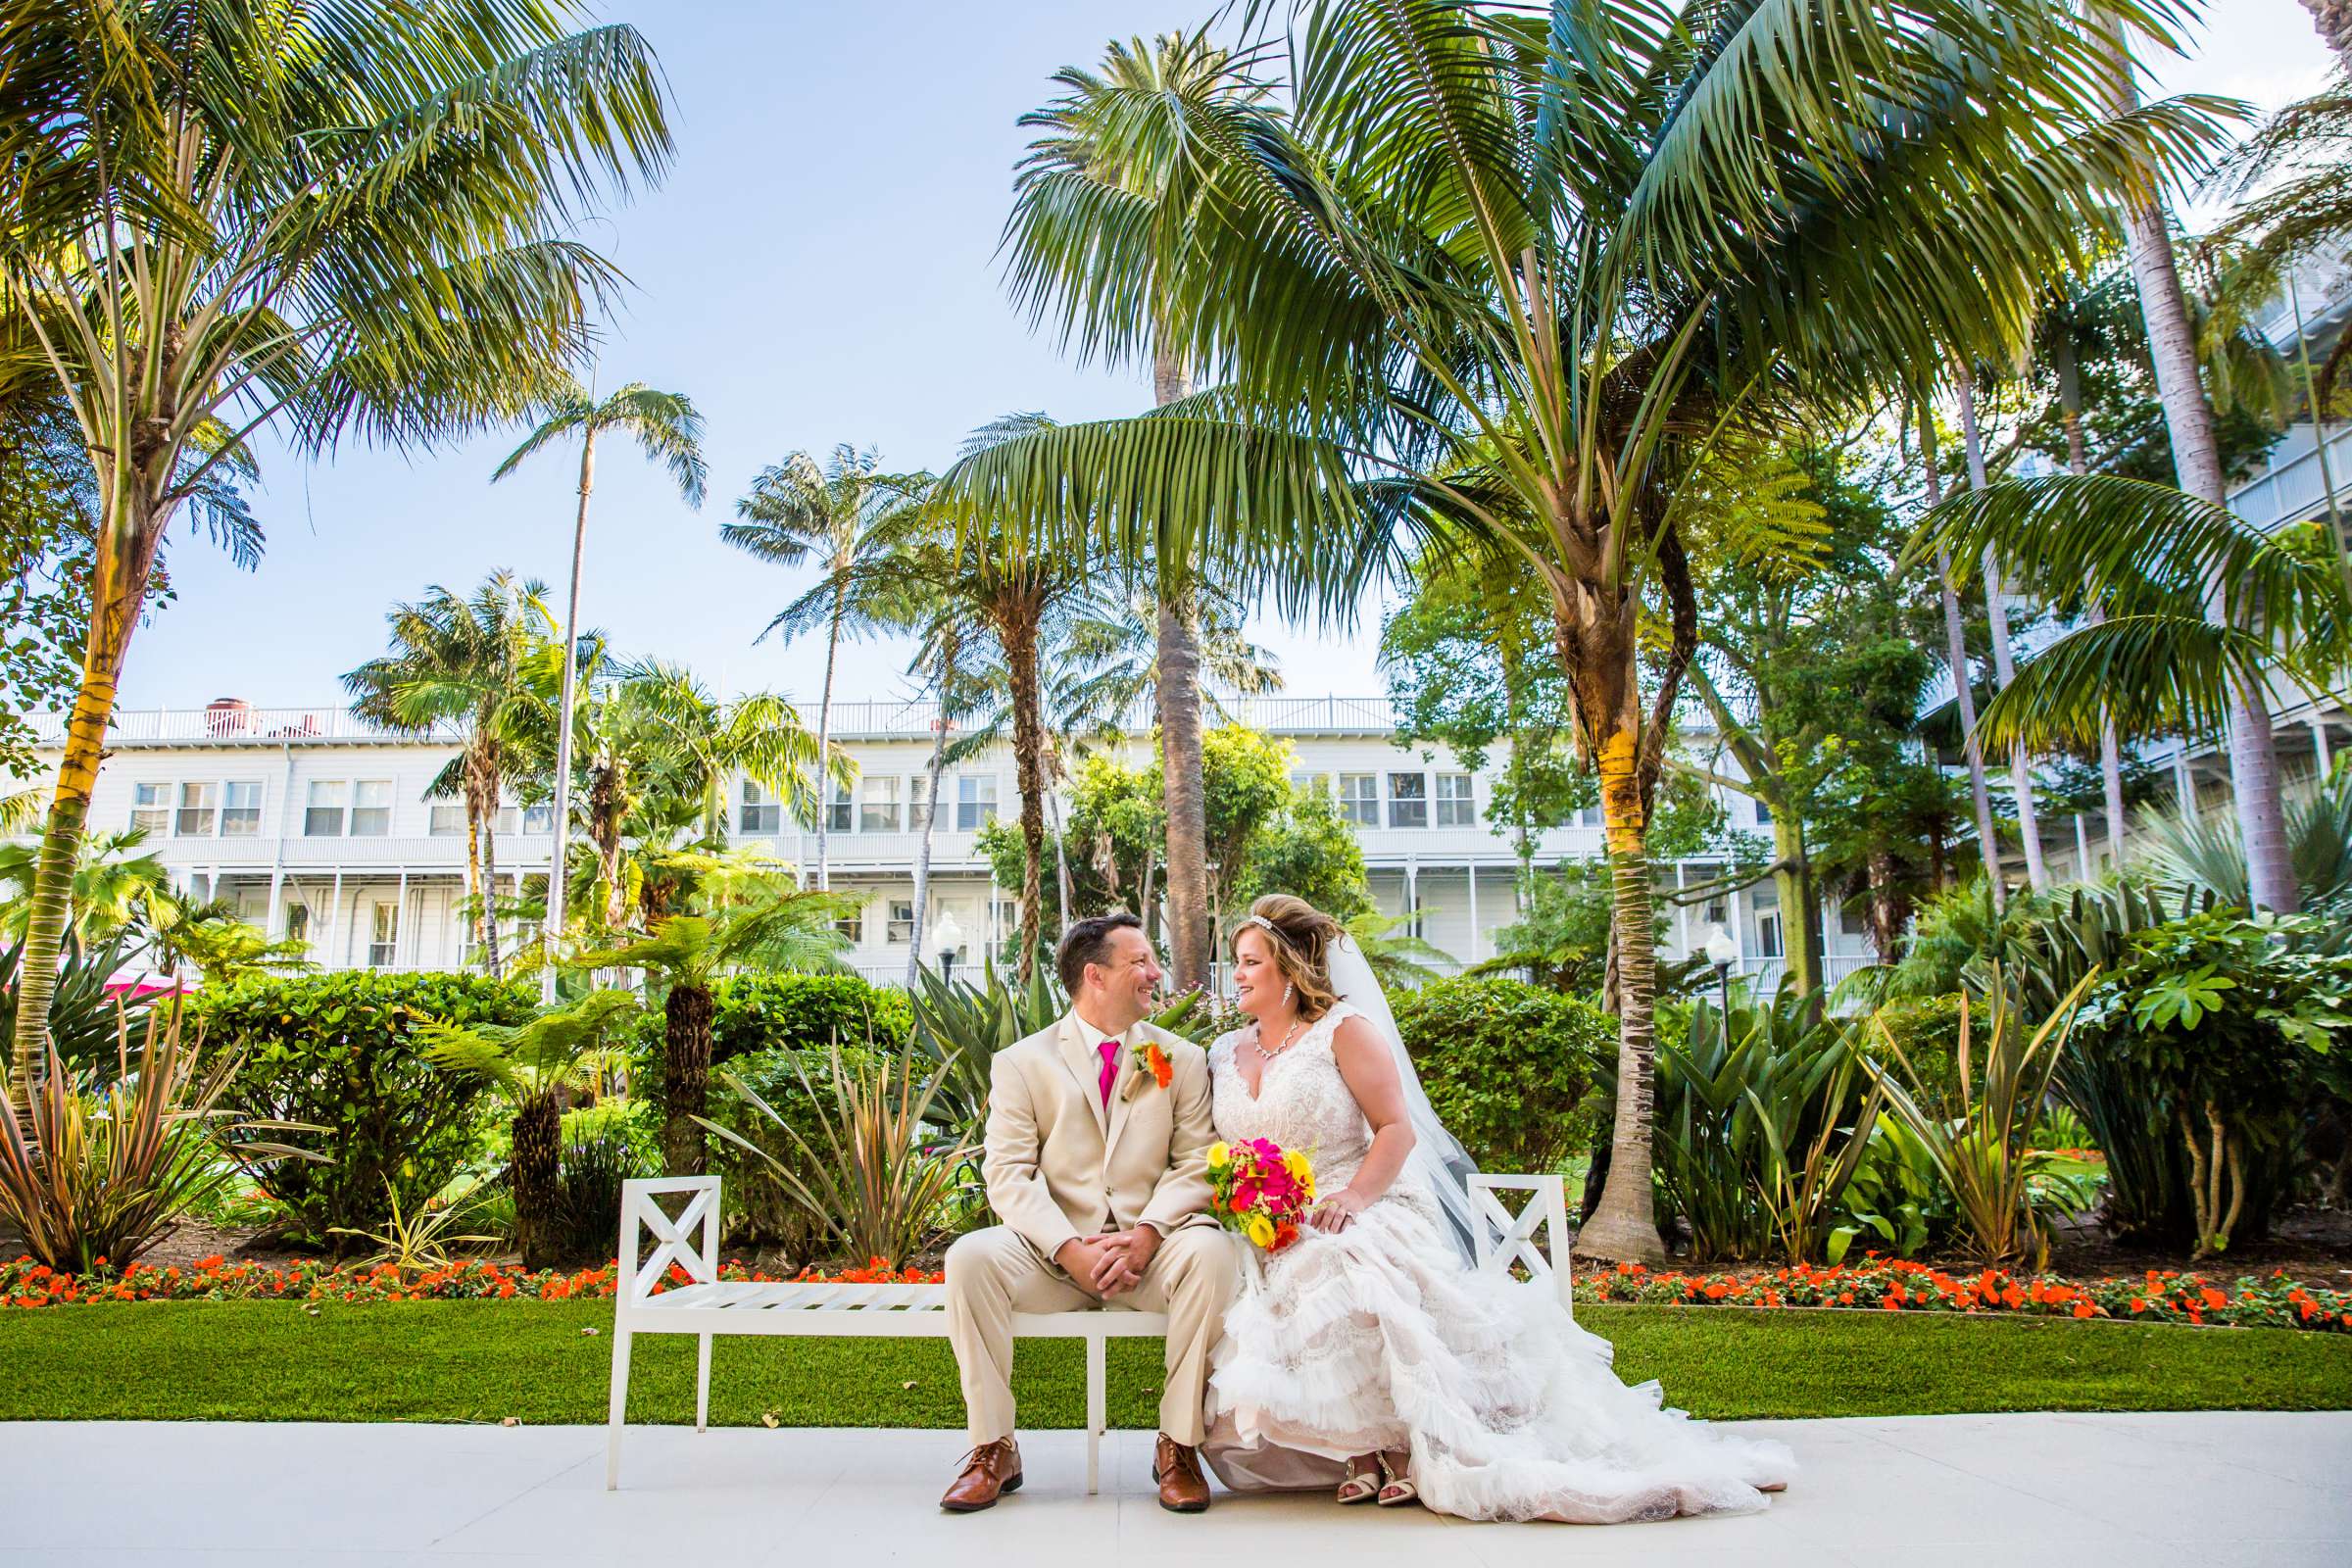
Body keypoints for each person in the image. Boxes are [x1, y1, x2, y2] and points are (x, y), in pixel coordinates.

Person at [1200, 894, 1796, 1522]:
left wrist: (1352, 1198)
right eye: (1236, 963)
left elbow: (1396, 1129)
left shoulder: (1342, 1034)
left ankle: (1394, 1447)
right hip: (1272, 1217)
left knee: (1352, 1262)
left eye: (1249, 962)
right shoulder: (1223, 1053)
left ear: (1290, 971)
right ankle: (1356, 1447)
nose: (1236, 975)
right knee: (1279, 1268)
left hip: (1364, 1193)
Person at [940, 912, 1240, 1514]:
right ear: (1094, 976)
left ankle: (1177, 1445)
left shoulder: (1178, 1057)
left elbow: (1196, 1163)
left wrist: (1148, 1234)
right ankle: (994, 1448)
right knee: (968, 1258)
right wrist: (1068, 1248)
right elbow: (1009, 1174)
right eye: (1141, 963)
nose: (1156, 973)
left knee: (1211, 1253)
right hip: (1051, 1257)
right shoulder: (1022, 1062)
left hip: (1148, 1253)